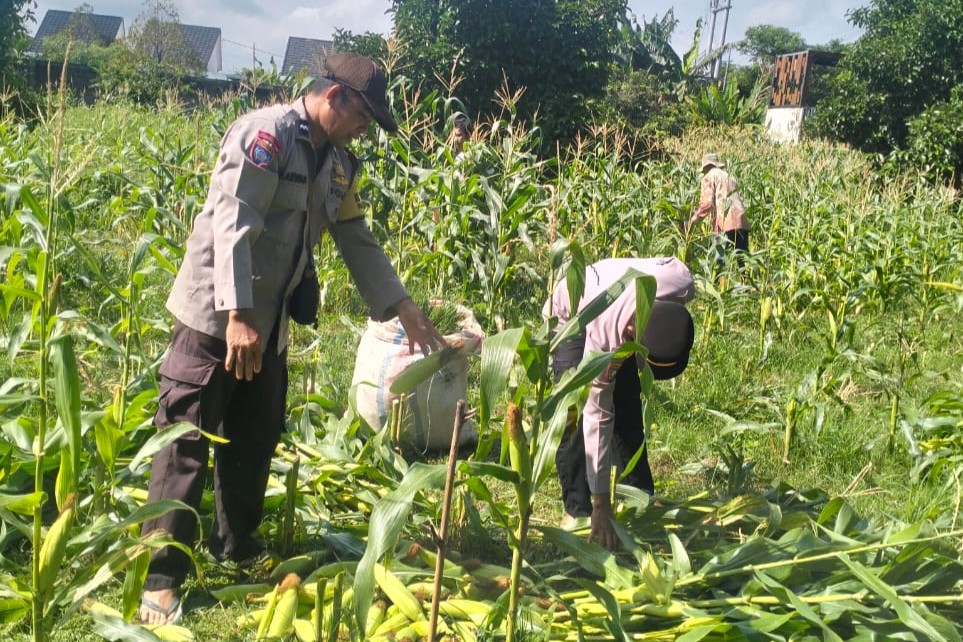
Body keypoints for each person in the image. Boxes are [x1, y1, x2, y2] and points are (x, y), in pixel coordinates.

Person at [137, 53, 445, 625]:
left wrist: (402, 305)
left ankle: (235, 545)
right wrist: (236, 315)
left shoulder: (339, 165)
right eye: (363, 116)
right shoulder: (265, 136)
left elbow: (354, 235)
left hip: (269, 325)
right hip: (216, 318)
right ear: (336, 97)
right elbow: (233, 222)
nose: (365, 130)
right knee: (187, 441)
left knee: (255, 437)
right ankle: (160, 579)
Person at [546, 257, 695, 550]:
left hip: (621, 305)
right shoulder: (604, 334)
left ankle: (639, 497)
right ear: (630, 334)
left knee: (627, 411)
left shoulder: (682, 285)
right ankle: (577, 510)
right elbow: (596, 416)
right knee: (573, 417)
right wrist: (601, 503)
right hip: (573, 319)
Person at [687, 153, 749, 266]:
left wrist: (694, 219)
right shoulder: (730, 176)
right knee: (742, 261)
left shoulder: (709, 177)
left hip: (724, 222)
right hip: (741, 221)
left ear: (706, 167)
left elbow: (707, 203)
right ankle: (745, 281)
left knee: (718, 260)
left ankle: (717, 283)